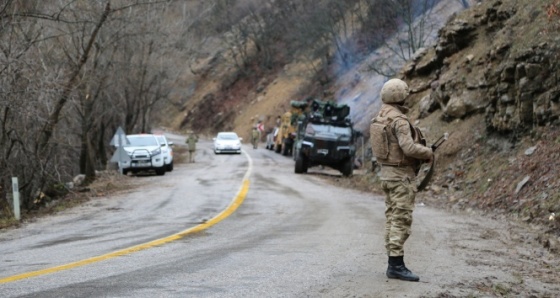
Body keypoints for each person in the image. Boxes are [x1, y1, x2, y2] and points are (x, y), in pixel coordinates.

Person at [369, 78, 433, 282]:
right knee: (400, 219)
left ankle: (393, 262)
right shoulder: (399, 120)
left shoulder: (380, 117)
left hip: (387, 174)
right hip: (400, 177)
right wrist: (428, 152)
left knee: (391, 217)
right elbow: (409, 148)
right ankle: (396, 266)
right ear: (400, 96)